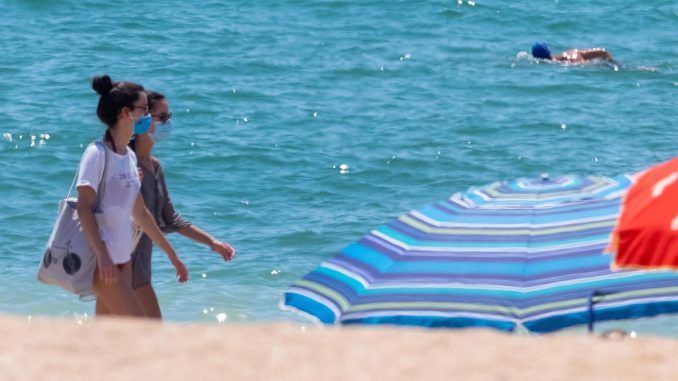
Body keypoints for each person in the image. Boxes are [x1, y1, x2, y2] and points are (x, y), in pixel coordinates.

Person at [79, 75, 188, 318]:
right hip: (103, 264)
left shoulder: (127, 158)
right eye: (144, 109)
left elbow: (140, 213)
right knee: (139, 328)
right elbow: (83, 208)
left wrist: (172, 255)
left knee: (107, 333)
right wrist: (103, 257)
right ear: (126, 113)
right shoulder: (96, 154)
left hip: (122, 260)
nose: (148, 116)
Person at [128, 90, 236, 319]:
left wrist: (212, 242)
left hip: (139, 268)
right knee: (150, 330)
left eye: (169, 116)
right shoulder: (127, 165)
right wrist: (172, 256)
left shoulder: (154, 167)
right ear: (144, 119)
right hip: (122, 265)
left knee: (117, 333)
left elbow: (170, 218)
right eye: (163, 117)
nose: (168, 123)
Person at [531, 42, 619, 67]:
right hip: (581, 56)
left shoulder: (555, 63)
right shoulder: (572, 52)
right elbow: (602, 51)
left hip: (584, 65)